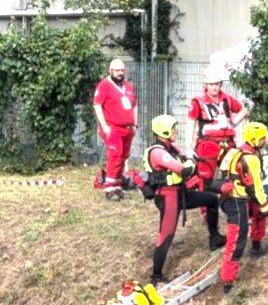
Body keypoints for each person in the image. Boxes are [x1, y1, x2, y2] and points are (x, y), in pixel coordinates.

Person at [143, 115, 224, 285]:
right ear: (164, 131)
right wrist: (190, 163)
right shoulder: (158, 152)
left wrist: (190, 163)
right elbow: (183, 169)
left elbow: (188, 166)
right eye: (173, 128)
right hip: (168, 196)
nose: (176, 131)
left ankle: (214, 237)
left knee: (211, 200)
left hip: (179, 193)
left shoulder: (171, 148)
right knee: (166, 236)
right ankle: (156, 277)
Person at [217, 122, 268, 295]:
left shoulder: (233, 151)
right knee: (236, 241)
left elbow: (223, 171)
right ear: (255, 139)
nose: (265, 142)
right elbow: (257, 189)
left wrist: (263, 205)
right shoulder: (251, 159)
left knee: (257, 212)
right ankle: (228, 284)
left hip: (227, 198)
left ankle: (256, 246)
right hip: (237, 201)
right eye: (264, 139)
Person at [189, 64, 247, 188]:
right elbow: (191, 123)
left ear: (221, 84)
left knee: (236, 171)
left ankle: (230, 203)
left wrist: (234, 123)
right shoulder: (198, 101)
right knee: (205, 177)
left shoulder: (228, 99)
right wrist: (189, 146)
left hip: (228, 143)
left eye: (216, 84)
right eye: (211, 84)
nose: (214, 87)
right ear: (205, 85)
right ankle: (208, 205)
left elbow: (243, 110)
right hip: (207, 144)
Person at [93, 59, 139, 201]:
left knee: (123, 156)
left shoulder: (128, 86)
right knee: (115, 155)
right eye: (117, 70)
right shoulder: (104, 85)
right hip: (113, 127)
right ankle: (110, 188)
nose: (120, 73)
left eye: (122, 70)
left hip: (128, 128)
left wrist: (135, 124)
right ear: (110, 71)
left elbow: (134, 105)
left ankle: (118, 185)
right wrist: (104, 126)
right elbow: (97, 105)